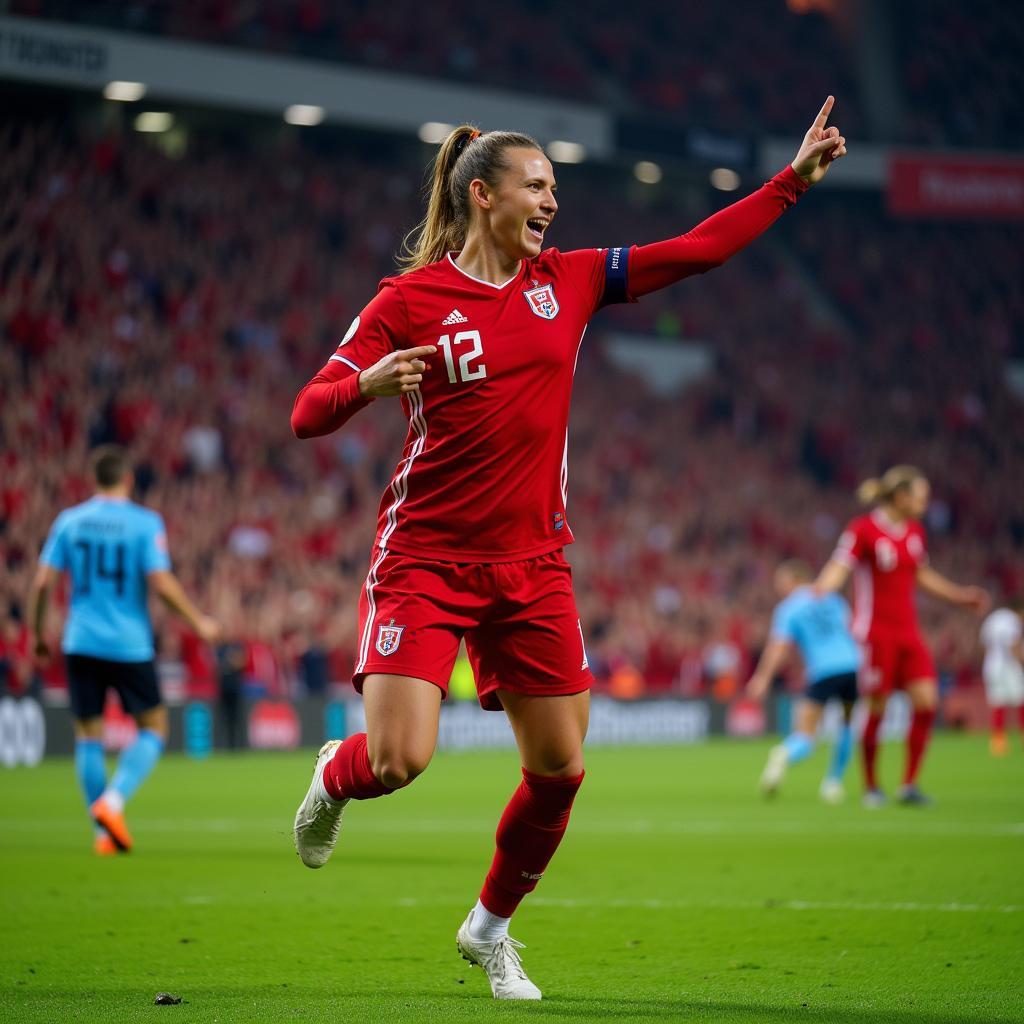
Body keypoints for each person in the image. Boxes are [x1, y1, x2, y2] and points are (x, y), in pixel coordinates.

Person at [289, 98, 847, 1000]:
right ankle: (333, 775)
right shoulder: (411, 301)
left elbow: (694, 250)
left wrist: (789, 184)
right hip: (426, 559)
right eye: (537, 186)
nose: (553, 201)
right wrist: (364, 384)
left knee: (560, 770)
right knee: (397, 763)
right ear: (483, 196)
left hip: (534, 565)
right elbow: (305, 411)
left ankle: (490, 928)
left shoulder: (573, 279)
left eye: (556, 188)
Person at [27, 445, 220, 854]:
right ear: (128, 479)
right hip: (129, 644)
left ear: (94, 480)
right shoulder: (144, 522)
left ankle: (102, 834)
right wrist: (198, 621)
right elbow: (162, 584)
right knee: (154, 728)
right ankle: (112, 804)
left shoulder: (70, 521)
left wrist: (38, 634)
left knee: (88, 736)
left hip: (79, 640)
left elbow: (43, 584)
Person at [814, 466, 988, 808]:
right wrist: (822, 587)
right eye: (920, 495)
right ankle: (871, 786)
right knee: (876, 707)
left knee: (926, 701)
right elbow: (840, 565)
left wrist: (959, 596)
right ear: (901, 496)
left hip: (909, 632)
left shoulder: (914, 532)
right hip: (875, 632)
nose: (925, 503)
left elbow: (921, 574)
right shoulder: (862, 529)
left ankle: (909, 784)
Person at [746, 560, 860, 803]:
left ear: (795, 580)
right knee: (847, 726)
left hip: (823, 673)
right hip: (851, 668)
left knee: (805, 736)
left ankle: (784, 753)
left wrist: (763, 677)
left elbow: (779, 647)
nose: (778, 587)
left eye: (781, 582)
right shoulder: (834, 600)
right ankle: (833, 783)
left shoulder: (789, 609)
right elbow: (854, 631)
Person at [979, 597, 1024, 757]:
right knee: (1020, 700)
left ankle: (998, 743)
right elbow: (1013, 645)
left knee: (998, 702)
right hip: (1008, 666)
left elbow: (984, 644)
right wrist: (1020, 661)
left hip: (991, 665)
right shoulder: (1013, 621)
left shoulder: (993, 618)